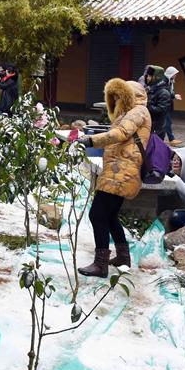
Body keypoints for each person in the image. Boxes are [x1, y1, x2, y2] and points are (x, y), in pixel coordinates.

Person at [76, 78, 151, 276]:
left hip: (122, 172)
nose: (116, 100)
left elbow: (120, 133)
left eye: (119, 96)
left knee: (97, 215)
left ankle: (100, 265)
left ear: (130, 95)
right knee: (109, 216)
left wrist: (90, 140)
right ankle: (123, 257)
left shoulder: (138, 112)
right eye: (114, 97)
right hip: (118, 169)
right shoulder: (131, 112)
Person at [142, 65, 171, 139]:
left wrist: (147, 104)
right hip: (147, 125)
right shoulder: (150, 89)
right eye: (147, 76)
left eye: (149, 76)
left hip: (156, 129)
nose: (147, 78)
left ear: (156, 77)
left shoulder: (164, 93)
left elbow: (161, 110)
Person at [163, 66, 183, 145]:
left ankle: (168, 139)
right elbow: (165, 93)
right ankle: (171, 139)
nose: (176, 76)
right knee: (167, 122)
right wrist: (174, 96)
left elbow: (170, 92)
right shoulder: (164, 81)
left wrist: (174, 95)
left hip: (166, 104)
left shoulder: (170, 81)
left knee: (166, 122)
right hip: (163, 104)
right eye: (175, 74)